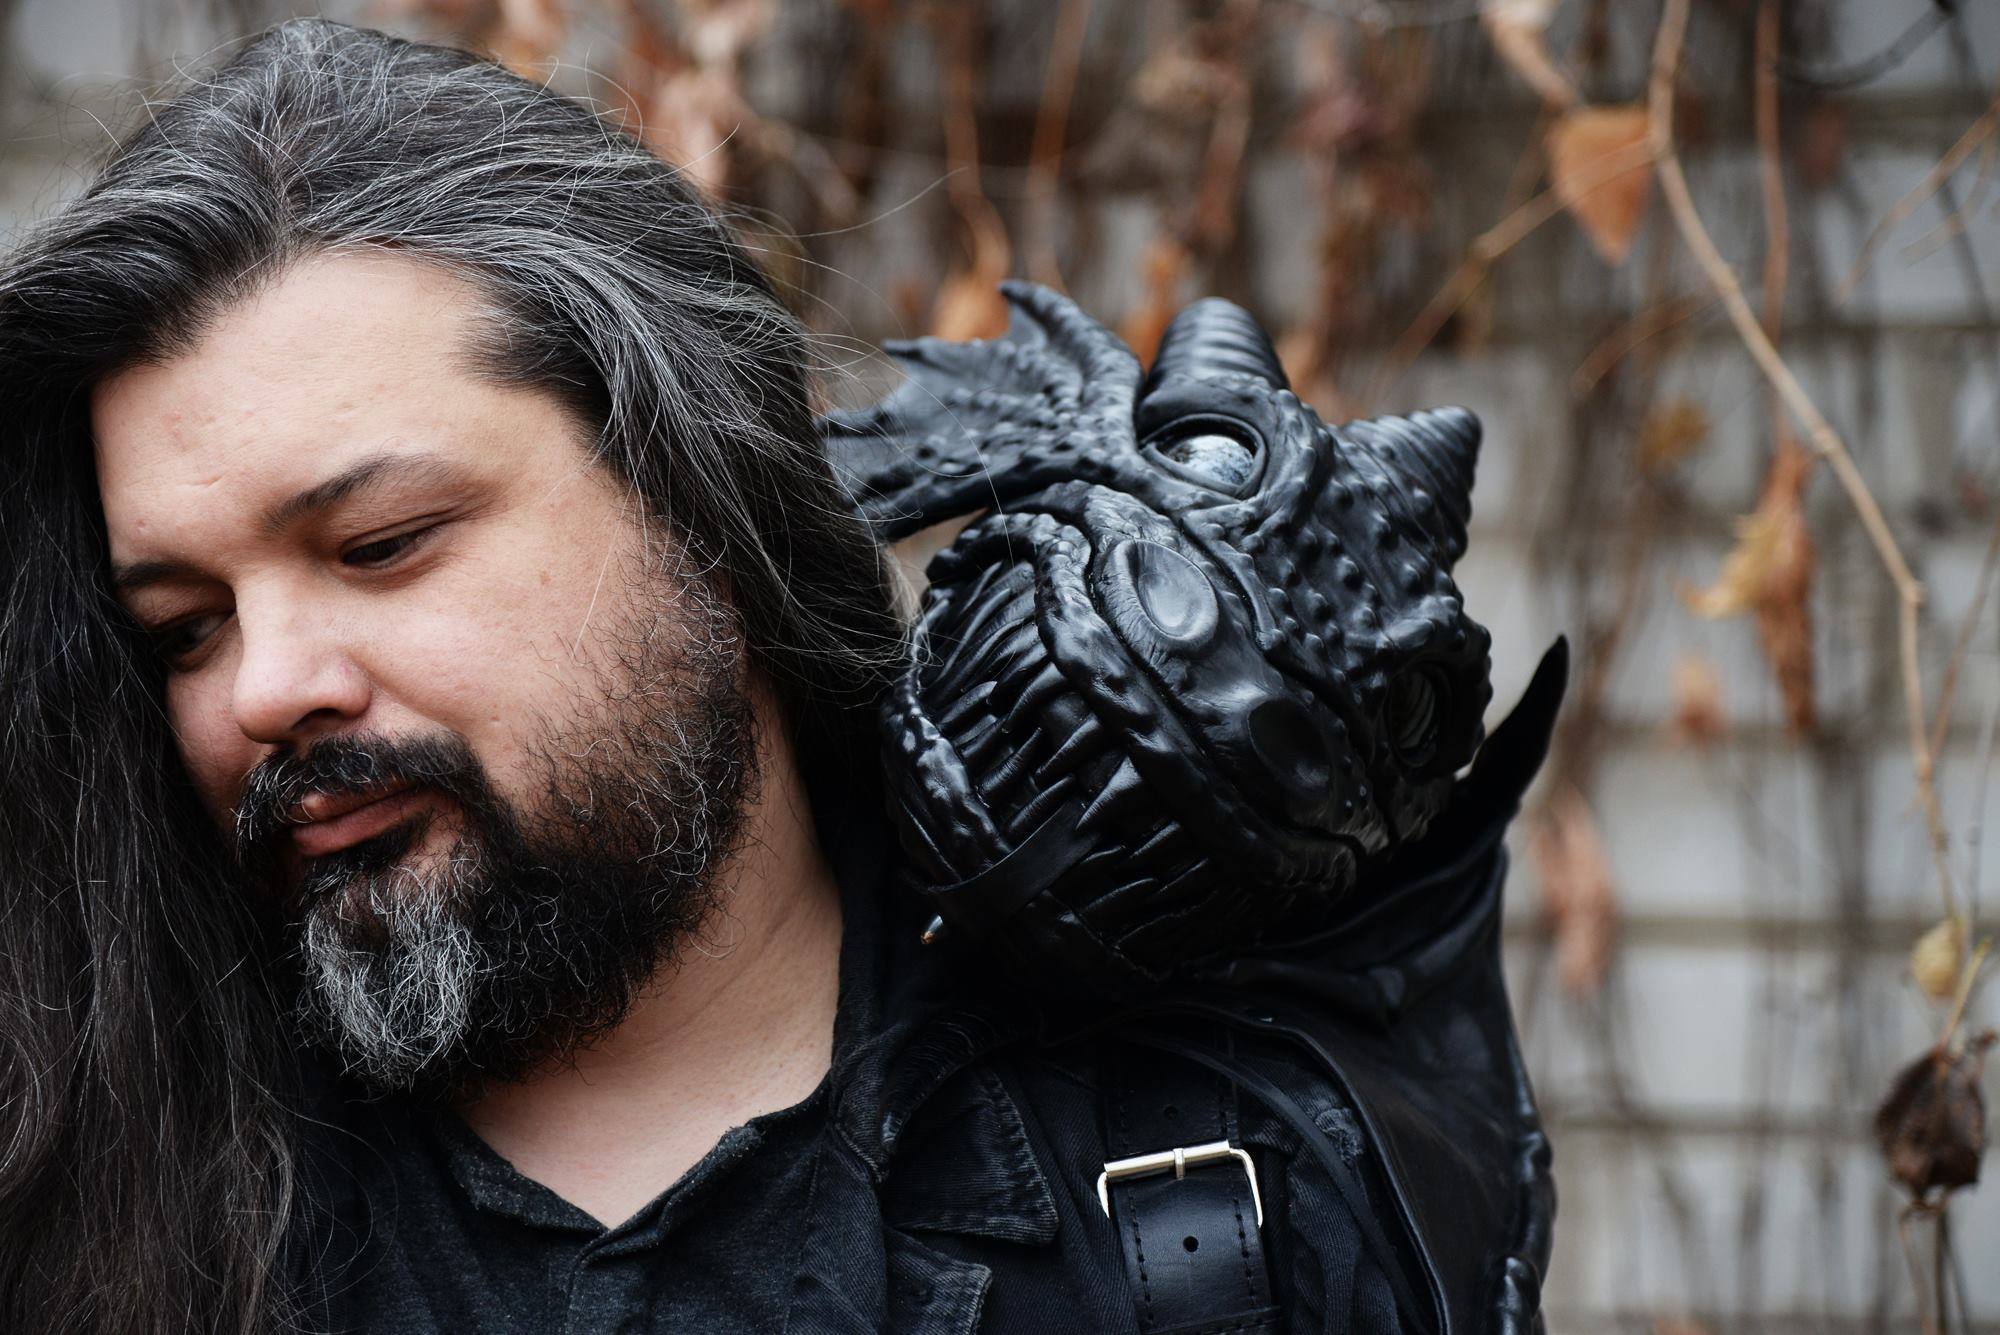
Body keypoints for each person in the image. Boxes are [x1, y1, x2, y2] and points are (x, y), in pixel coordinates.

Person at [0, 19, 1555, 1334]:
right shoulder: (84, 1196)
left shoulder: (1228, 1186)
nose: (262, 690)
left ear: (706, 507)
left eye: (381, 543)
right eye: (183, 627)